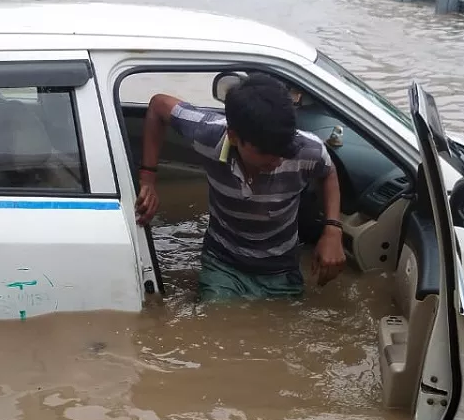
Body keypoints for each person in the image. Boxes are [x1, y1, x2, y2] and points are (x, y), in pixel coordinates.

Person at [135, 73, 347, 301]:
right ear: (234, 137)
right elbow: (158, 105)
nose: (277, 161)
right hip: (222, 264)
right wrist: (148, 178)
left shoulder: (307, 150)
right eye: (265, 153)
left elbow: (329, 173)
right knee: (215, 324)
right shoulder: (207, 134)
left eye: (283, 151)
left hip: (281, 269)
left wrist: (333, 230)